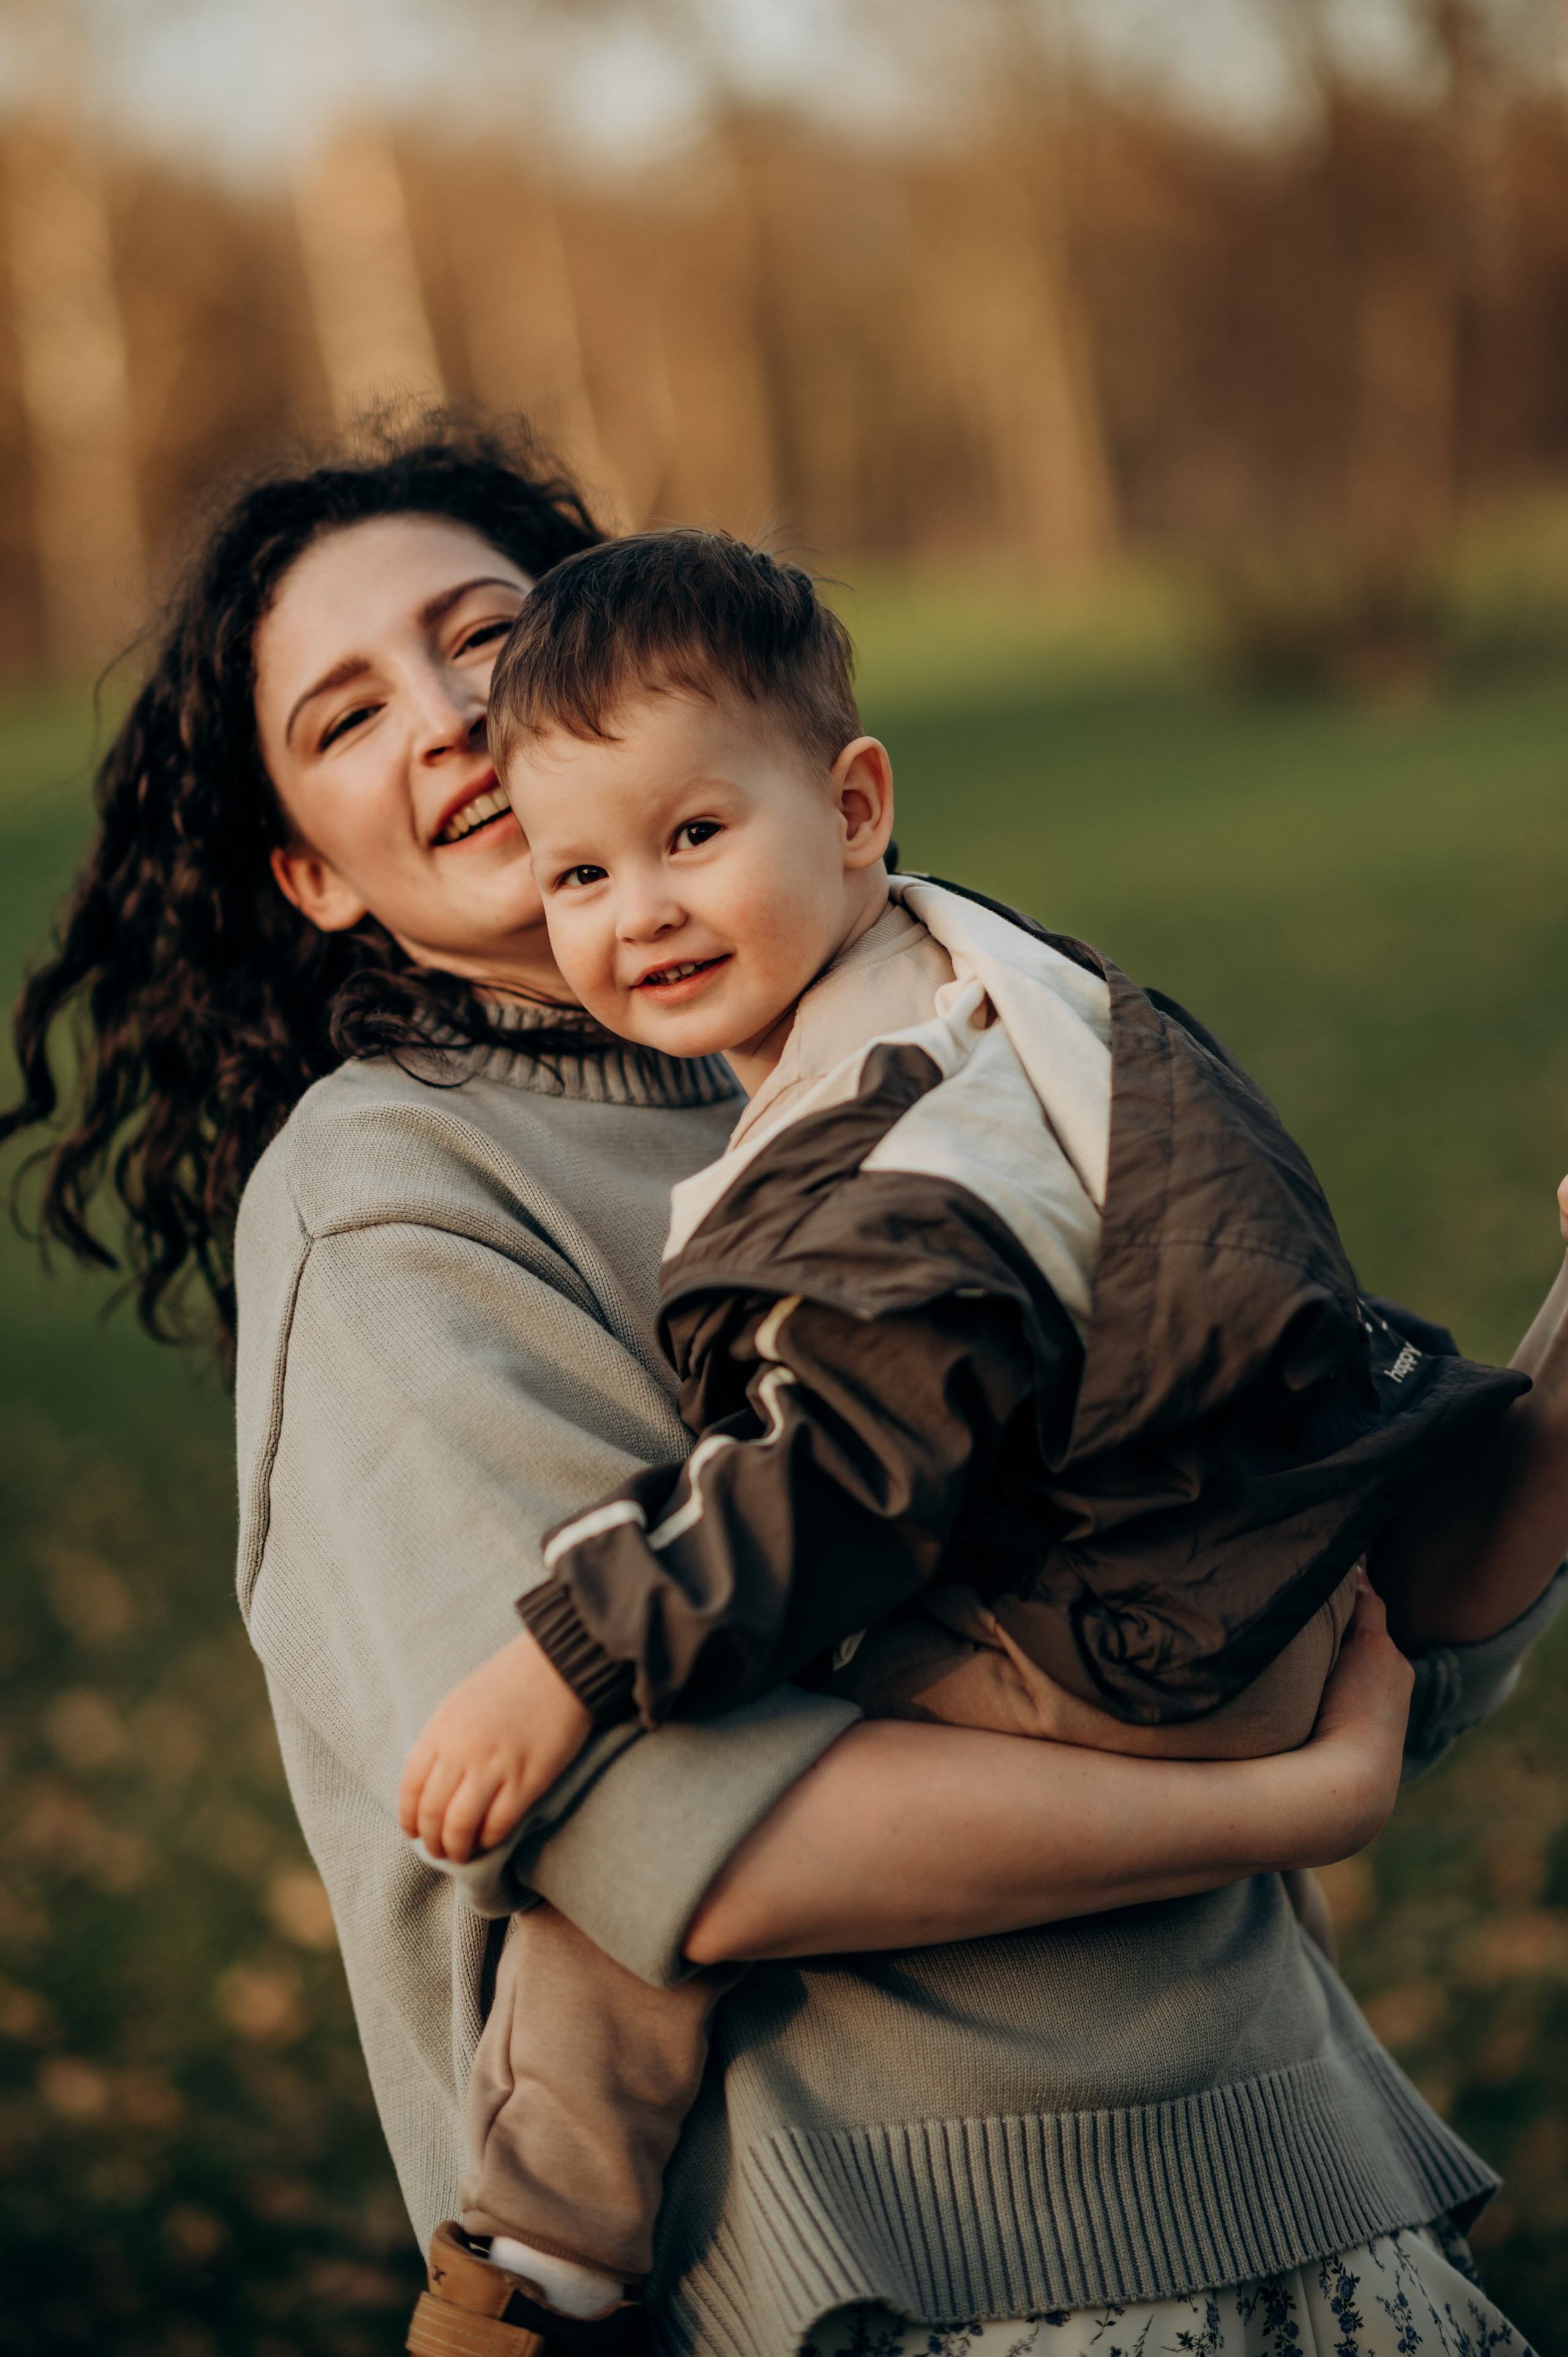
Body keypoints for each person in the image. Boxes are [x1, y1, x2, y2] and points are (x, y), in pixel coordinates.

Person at [2, 418, 1561, 2357]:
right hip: (927, 2275)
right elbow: (675, 1841)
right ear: (310, 874)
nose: (455, 718)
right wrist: (1285, 1799)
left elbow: (1337, 1602)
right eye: (344, 715)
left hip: (1316, 2182)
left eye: (484, 634)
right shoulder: (390, 1191)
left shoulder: (932, 1030)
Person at [392, 527, 1555, 2344]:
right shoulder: (997, 987)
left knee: (626, 1863)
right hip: (1250, 1562)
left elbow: (841, 1471)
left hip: (1133, 1628)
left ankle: (533, 2267)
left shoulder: (910, 1130)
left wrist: (568, 1654)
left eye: (695, 836)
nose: (642, 913)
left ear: (853, 804)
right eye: (580, 873)